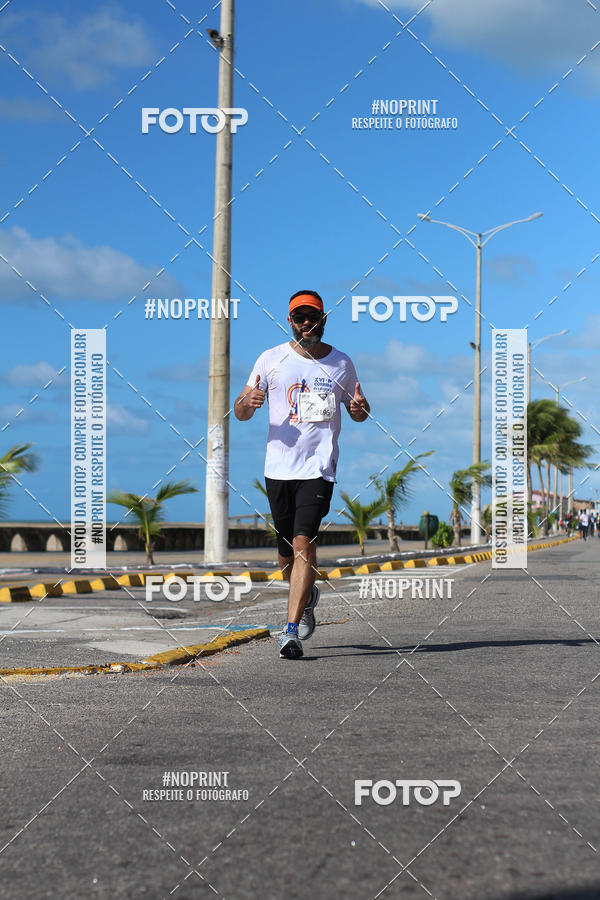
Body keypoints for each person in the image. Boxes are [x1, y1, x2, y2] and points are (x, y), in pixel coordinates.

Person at [234, 290, 369, 660]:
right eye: (299, 318)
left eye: (312, 317)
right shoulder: (270, 359)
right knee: (285, 557)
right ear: (290, 321)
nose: (306, 323)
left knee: (303, 543)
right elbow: (240, 411)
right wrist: (247, 402)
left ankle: (290, 630)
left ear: (324, 319)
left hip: (318, 468)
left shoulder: (341, 363)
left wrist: (360, 407)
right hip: (278, 469)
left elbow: (359, 410)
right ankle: (307, 596)